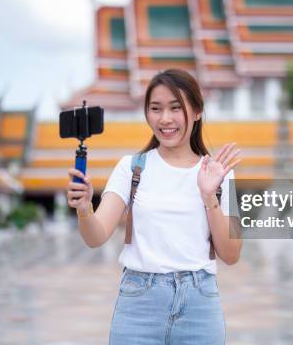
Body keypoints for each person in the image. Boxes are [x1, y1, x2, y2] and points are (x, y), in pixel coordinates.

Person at [66, 69, 242, 344]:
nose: (165, 119)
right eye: (156, 109)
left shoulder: (219, 174)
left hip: (200, 305)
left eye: (176, 108)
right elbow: (95, 236)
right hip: (139, 304)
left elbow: (231, 254)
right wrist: (85, 207)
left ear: (196, 111)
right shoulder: (132, 168)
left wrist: (209, 196)